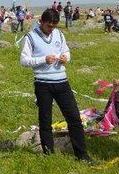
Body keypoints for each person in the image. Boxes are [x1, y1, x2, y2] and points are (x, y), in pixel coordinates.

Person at [19, 8, 91, 162]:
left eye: (54, 26)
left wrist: (66, 58)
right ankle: (48, 154)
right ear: (41, 22)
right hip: (43, 84)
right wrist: (43, 59)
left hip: (62, 82)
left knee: (74, 118)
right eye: (48, 26)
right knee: (45, 120)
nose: (51, 29)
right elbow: (24, 60)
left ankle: (82, 155)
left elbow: (66, 51)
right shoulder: (30, 37)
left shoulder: (59, 34)